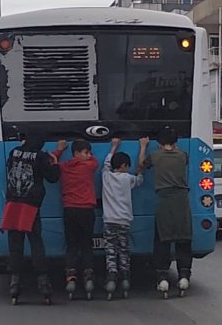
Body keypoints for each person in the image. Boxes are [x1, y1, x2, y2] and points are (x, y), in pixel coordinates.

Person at [0, 130, 60, 300]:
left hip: (12, 204)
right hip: (30, 206)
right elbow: (53, 178)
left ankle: (14, 284)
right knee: (36, 243)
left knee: (15, 245)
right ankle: (43, 283)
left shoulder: (13, 153)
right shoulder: (40, 157)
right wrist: (54, 162)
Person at [142, 127, 192, 296]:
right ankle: (184, 275)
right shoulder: (183, 155)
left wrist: (143, 147)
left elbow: (140, 166)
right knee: (183, 239)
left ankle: (162, 277)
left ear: (158, 143)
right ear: (175, 142)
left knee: (162, 239)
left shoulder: (155, 156)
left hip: (164, 201)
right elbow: (181, 155)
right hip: (182, 201)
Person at [52, 138, 99, 298]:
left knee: (71, 245)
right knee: (86, 245)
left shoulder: (63, 167)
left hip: (69, 210)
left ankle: (71, 276)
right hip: (86, 211)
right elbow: (95, 161)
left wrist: (59, 149)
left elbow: (51, 159)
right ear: (77, 153)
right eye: (86, 152)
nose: (89, 155)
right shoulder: (89, 166)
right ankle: (88, 275)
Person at [102, 136, 148, 298]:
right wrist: (143, 149)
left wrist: (114, 146)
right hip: (124, 221)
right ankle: (126, 277)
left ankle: (112, 276)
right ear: (124, 166)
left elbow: (106, 163)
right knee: (123, 250)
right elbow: (140, 179)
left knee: (110, 250)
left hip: (109, 221)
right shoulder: (128, 179)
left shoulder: (106, 177)